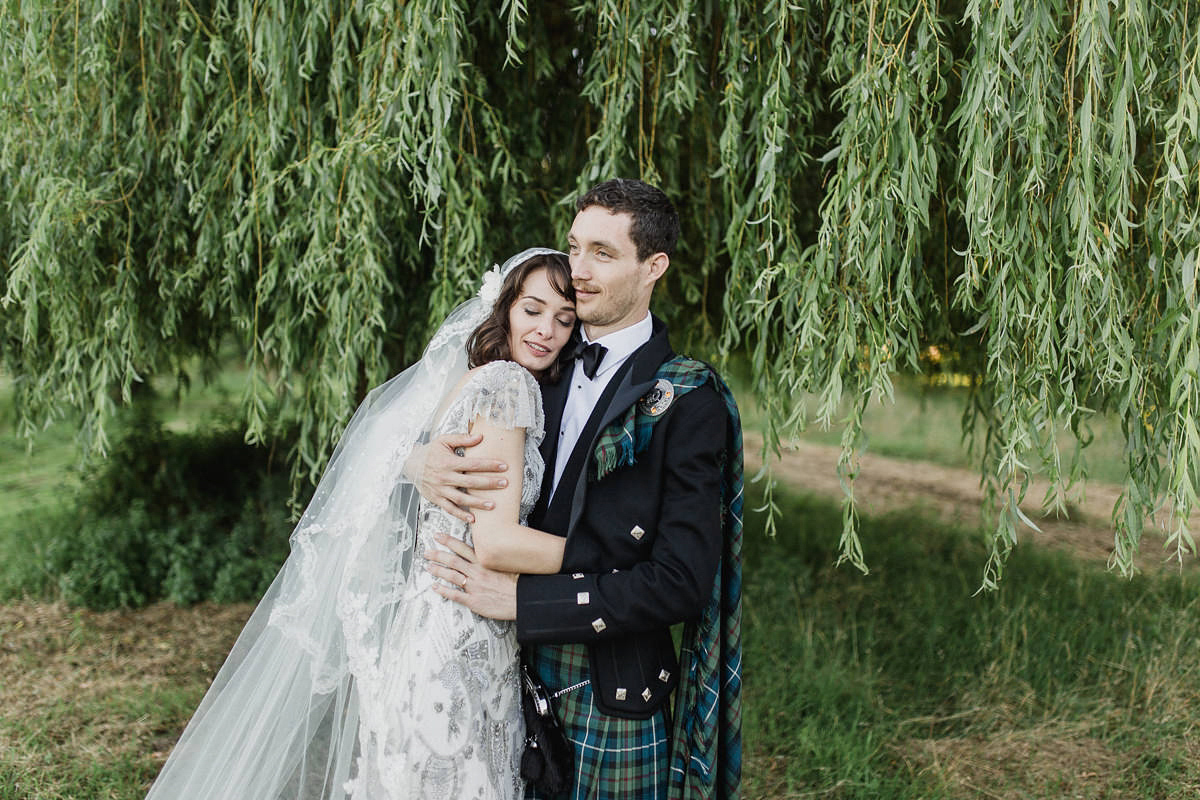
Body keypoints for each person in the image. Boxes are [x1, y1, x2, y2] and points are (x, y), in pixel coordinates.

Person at [144, 248, 579, 800]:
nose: (546, 331)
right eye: (533, 311)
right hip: (463, 630)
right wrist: (609, 554)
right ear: (504, 308)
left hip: (429, 627)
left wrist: (413, 459)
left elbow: (389, 447)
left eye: (564, 320)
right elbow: (495, 543)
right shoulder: (507, 385)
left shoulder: (471, 379)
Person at [422, 179, 744, 800]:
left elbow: (680, 582)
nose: (580, 270)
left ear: (654, 267)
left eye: (603, 252)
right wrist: (422, 461)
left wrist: (525, 603)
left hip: (611, 689)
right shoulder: (536, 363)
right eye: (575, 248)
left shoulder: (688, 399)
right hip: (504, 675)